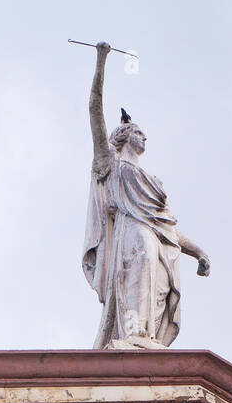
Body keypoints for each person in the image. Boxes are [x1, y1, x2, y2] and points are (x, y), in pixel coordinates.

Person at [82, 42, 210, 349]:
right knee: (137, 268)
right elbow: (94, 110)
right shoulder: (110, 164)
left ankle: (146, 338)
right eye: (139, 132)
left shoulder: (152, 179)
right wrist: (101, 60)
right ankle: (134, 333)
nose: (144, 136)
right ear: (125, 136)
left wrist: (198, 252)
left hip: (157, 238)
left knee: (158, 288)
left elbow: (166, 226)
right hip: (131, 231)